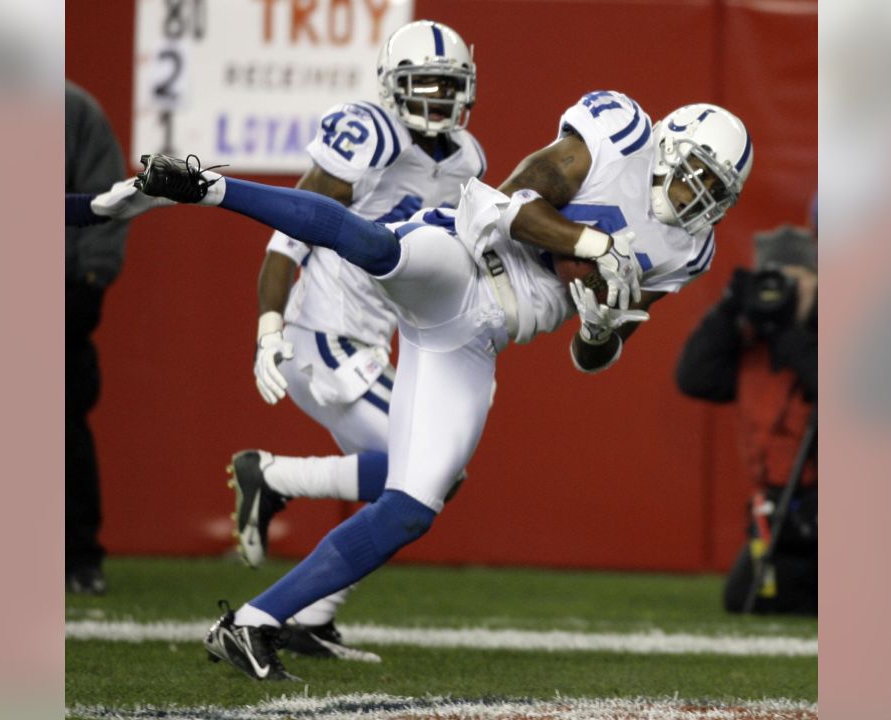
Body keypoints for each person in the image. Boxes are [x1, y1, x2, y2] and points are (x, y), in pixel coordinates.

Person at [135, 93, 754, 681]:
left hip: (474, 341)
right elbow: (510, 202)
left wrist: (601, 326)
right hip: (465, 260)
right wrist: (595, 244)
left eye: (713, 191)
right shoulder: (617, 135)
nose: (694, 196)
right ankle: (208, 186)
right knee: (376, 245)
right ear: (667, 147)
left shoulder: (691, 249)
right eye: (691, 174)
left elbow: (592, 356)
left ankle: (253, 623)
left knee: (412, 508)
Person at [229, 20, 485, 663]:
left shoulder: (468, 160)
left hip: (374, 340)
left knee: (416, 481)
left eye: (447, 85)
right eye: (420, 83)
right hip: (326, 335)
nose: (435, 97)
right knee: (429, 473)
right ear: (391, 85)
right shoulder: (367, 132)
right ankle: (273, 476)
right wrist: (270, 326)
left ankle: (309, 619)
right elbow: (291, 231)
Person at [674, 224, 817, 615]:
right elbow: (694, 378)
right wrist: (729, 308)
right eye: (775, 280)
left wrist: (790, 332)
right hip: (781, 514)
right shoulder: (751, 348)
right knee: (746, 599)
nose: (785, 290)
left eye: (798, 281)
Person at [65, 80, 133, 594]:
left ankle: (78, 555)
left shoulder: (72, 110)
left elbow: (105, 198)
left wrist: (91, 277)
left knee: (63, 421)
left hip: (56, 288)